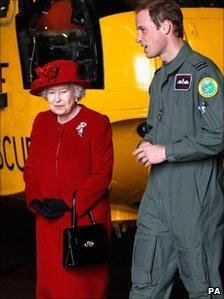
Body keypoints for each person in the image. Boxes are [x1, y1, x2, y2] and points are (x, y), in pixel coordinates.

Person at [130, 0, 224, 298]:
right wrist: (148, 144)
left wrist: (166, 152)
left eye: (143, 29)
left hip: (193, 200)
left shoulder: (203, 72)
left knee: (204, 287)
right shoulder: (159, 79)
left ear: (166, 27)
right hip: (157, 196)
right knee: (145, 283)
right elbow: (157, 130)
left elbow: (219, 134)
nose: (138, 37)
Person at [24, 59, 114, 299]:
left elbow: (101, 175)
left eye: (63, 91)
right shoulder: (41, 122)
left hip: (82, 217)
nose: (57, 99)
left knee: (80, 287)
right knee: (49, 285)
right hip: (47, 219)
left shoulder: (97, 123)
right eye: (51, 92)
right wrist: (35, 200)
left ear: (77, 92)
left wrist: (68, 202)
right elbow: (31, 167)